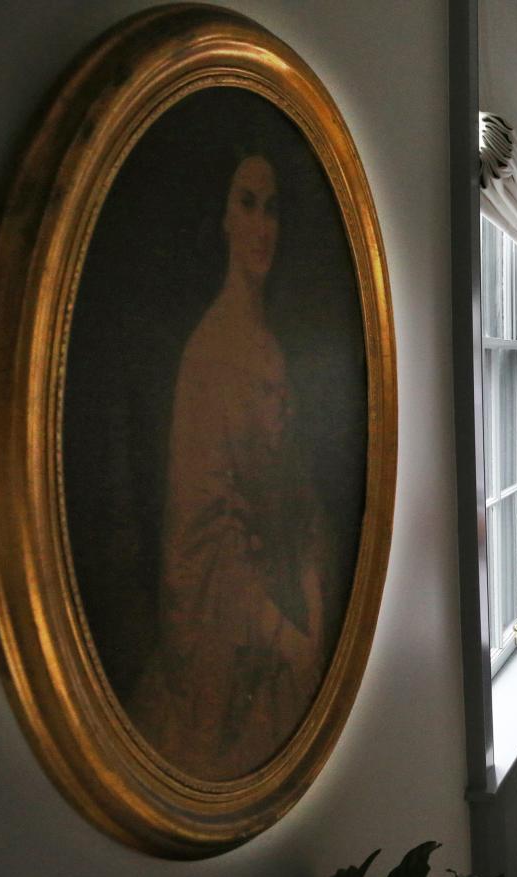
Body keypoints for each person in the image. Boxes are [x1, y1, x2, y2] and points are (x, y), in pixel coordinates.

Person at [130, 149, 330, 780]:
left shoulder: (270, 346)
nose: (261, 226)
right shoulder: (210, 356)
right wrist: (282, 634)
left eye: (271, 208)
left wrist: (313, 605)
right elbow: (201, 543)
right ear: (222, 217)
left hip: (283, 624)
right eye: (246, 204)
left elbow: (298, 505)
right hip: (231, 650)